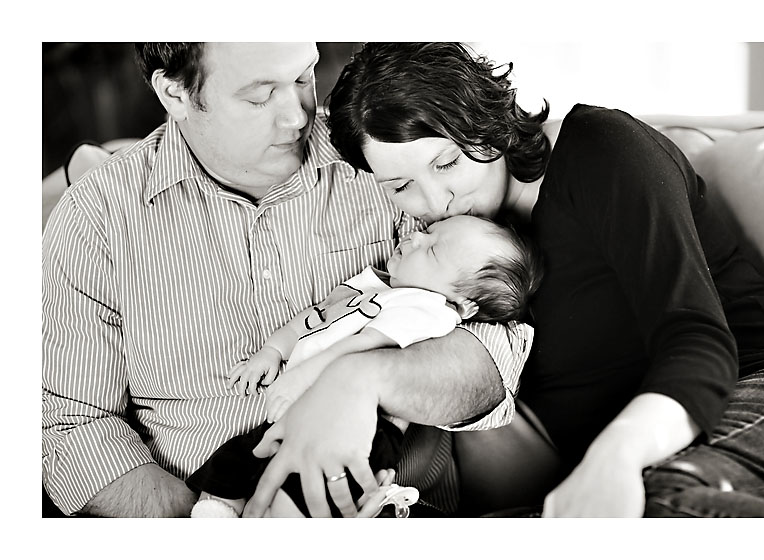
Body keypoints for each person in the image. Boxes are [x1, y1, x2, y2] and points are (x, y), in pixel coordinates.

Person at [299, 41, 764, 518]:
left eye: (446, 162)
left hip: (747, 386)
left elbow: (696, 334)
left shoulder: (601, 149)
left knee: (659, 507)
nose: (435, 202)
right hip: (600, 456)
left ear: (484, 124)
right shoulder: (447, 247)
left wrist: (618, 455)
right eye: (402, 185)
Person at [41, 42, 534, 518]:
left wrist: (362, 378)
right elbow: (70, 424)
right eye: (260, 96)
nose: (298, 117)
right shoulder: (97, 216)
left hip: (393, 504)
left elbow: (494, 349)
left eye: (303, 77)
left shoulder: (379, 157)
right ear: (176, 93)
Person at [188, 215, 541, 517]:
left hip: (357, 428)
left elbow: (364, 344)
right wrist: (273, 350)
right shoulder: (376, 287)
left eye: (432, 250)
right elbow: (316, 318)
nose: (415, 237)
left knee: (300, 496)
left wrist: (301, 377)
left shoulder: (429, 308)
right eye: (428, 230)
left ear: (462, 303)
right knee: (230, 465)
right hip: (293, 411)